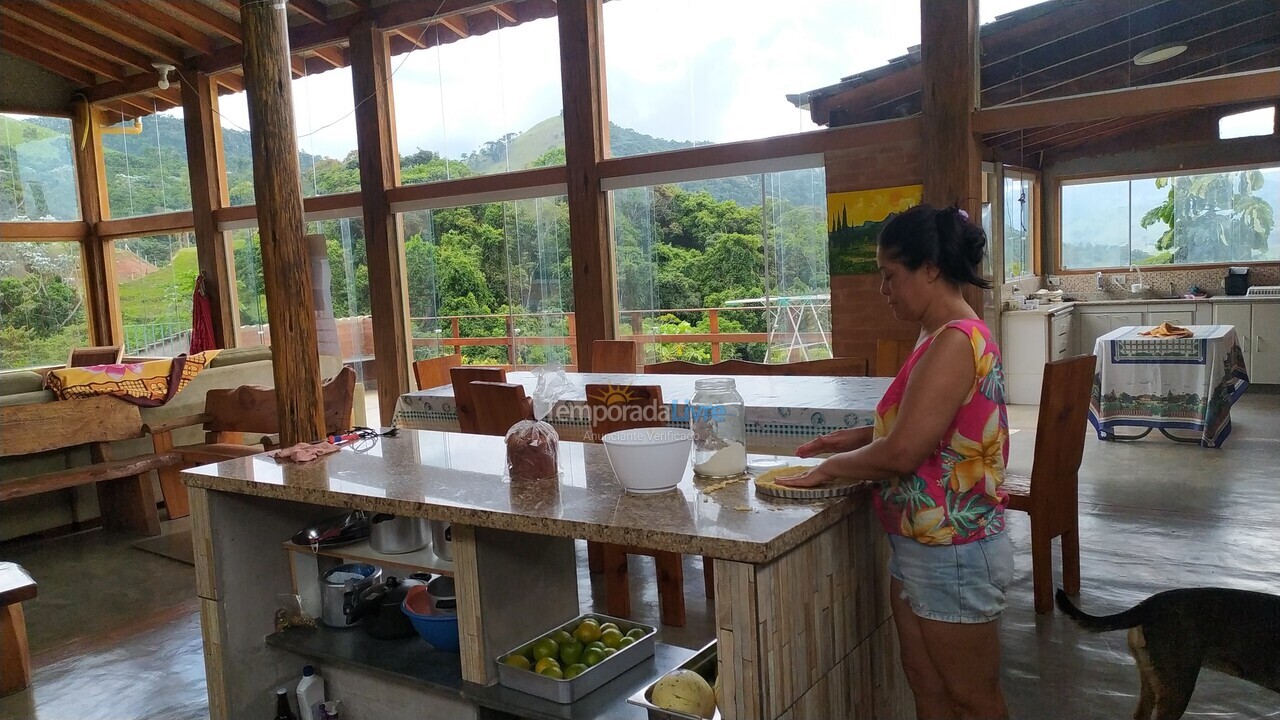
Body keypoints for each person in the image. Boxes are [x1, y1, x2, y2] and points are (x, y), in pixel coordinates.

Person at [779, 203, 1011, 720]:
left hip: (954, 548)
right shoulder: (934, 333)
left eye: (889, 276)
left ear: (930, 268)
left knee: (973, 699)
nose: (883, 290)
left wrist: (831, 469)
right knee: (926, 683)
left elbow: (904, 453)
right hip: (923, 542)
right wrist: (854, 438)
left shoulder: (955, 340)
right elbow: (929, 430)